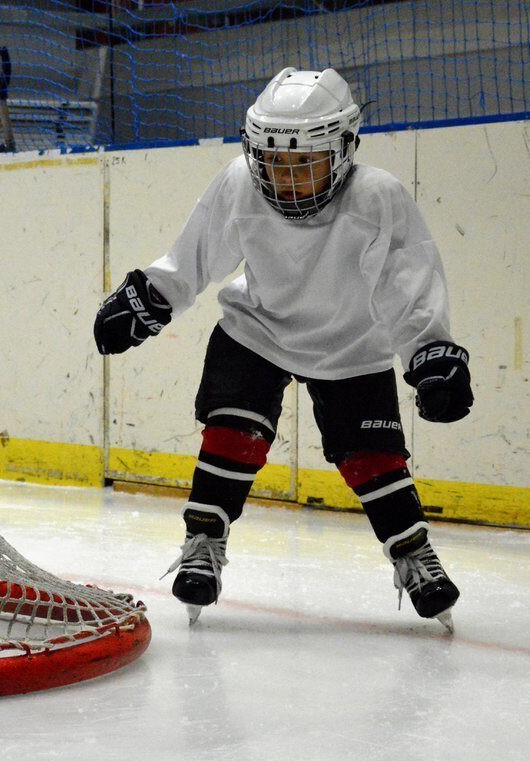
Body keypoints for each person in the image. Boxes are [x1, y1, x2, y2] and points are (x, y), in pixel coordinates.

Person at [93, 67, 472, 630]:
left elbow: (408, 285)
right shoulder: (239, 184)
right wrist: (150, 298)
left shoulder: (377, 197)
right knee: (233, 432)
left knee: (372, 461)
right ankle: (204, 542)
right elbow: (195, 255)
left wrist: (432, 356)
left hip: (351, 342)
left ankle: (412, 552)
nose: (287, 178)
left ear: (343, 149)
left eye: (304, 162)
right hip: (257, 330)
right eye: (275, 161)